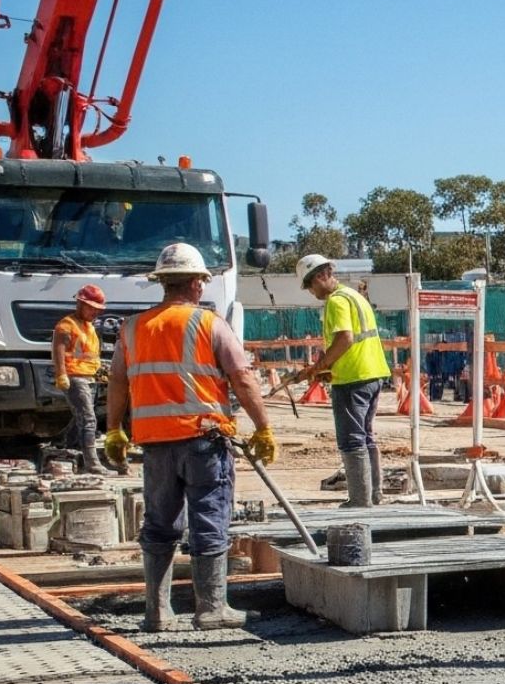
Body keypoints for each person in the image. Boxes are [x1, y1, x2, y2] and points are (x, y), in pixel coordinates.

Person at [105, 243, 276, 632]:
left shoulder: (132, 329)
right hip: (204, 440)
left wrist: (114, 429)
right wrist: (263, 426)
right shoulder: (210, 324)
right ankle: (211, 608)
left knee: (160, 523)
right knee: (209, 520)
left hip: (155, 444)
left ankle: (158, 612)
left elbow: (117, 380)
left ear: (162, 282)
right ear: (197, 284)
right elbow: (242, 377)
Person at [294, 255, 392, 507]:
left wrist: (321, 366)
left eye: (310, 286)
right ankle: (373, 494)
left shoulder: (336, 301)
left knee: (352, 440)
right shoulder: (354, 296)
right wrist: (324, 366)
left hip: (352, 378)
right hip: (373, 373)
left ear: (319, 277)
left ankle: (360, 500)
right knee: (366, 437)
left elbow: (345, 339)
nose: (311, 292)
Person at [51, 284, 113, 475]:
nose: (95, 312)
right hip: (74, 377)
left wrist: (101, 369)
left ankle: (62, 446)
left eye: (98, 309)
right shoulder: (66, 326)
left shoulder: (89, 327)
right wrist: (61, 374)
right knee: (88, 419)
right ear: (80, 303)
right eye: (91, 307)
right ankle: (92, 463)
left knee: (82, 416)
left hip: (89, 376)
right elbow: (58, 350)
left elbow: (89, 354)